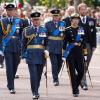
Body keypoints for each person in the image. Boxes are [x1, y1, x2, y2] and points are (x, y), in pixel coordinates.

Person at [22, 11, 48, 99]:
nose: (36, 21)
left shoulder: (44, 29)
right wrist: (23, 55)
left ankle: (36, 89)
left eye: (37, 20)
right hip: (31, 54)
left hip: (41, 55)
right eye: (34, 20)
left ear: (40, 20)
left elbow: (47, 43)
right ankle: (35, 92)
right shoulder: (27, 30)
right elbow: (23, 43)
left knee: (39, 75)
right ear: (31, 20)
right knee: (33, 74)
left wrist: (47, 50)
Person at [0, 4, 23, 94]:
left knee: (15, 66)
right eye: (8, 10)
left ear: (14, 11)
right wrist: (1, 48)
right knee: (9, 67)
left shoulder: (19, 21)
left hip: (17, 46)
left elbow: (22, 35)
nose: (10, 11)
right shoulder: (2, 21)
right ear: (6, 11)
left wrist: (22, 47)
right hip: (7, 47)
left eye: (12, 10)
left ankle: (10, 81)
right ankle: (11, 86)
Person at [63, 13, 86, 97]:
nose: (76, 20)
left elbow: (84, 42)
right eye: (74, 19)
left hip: (79, 52)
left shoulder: (81, 29)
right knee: (72, 72)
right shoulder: (67, 30)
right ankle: (75, 90)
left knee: (81, 71)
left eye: (77, 19)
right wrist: (64, 54)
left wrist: (85, 53)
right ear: (71, 20)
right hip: (70, 52)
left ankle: (75, 85)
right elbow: (64, 43)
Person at [78, 3, 97, 90]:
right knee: (82, 62)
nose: (84, 11)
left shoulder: (92, 20)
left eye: (85, 9)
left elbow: (94, 34)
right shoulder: (75, 19)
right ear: (79, 10)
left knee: (87, 63)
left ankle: (80, 76)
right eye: (82, 9)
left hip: (89, 44)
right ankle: (83, 82)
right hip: (79, 45)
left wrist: (94, 45)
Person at [45, 8, 66, 86]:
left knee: (60, 63)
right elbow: (46, 36)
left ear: (59, 16)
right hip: (52, 46)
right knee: (54, 63)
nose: (56, 17)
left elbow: (64, 34)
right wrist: (45, 47)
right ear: (52, 16)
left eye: (57, 16)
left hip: (60, 46)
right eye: (54, 16)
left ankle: (55, 75)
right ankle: (55, 79)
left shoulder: (63, 23)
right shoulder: (47, 24)